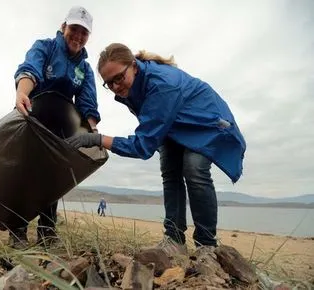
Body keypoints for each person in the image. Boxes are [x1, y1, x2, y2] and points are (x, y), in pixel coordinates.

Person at [67, 43, 246, 249]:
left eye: (119, 78)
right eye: (109, 83)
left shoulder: (162, 84)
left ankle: (206, 245)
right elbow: (151, 128)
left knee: (194, 168)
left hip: (208, 121)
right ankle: (174, 239)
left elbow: (142, 147)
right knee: (170, 172)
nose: (116, 86)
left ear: (133, 66)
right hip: (176, 124)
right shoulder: (133, 84)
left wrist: (98, 140)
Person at [10, 6, 100, 249]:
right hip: (33, 117)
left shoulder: (86, 68)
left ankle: (47, 230)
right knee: (26, 172)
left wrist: (91, 132)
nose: (78, 36)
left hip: (61, 126)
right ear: (64, 27)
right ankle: (17, 230)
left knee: (54, 176)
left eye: (84, 32)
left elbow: (87, 102)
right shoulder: (45, 46)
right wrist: (22, 92)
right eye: (74, 29)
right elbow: (30, 69)